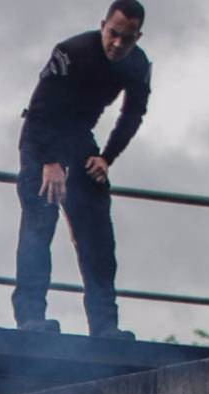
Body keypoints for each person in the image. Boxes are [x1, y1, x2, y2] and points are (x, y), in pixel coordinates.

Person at [12, 0, 152, 339]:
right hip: (41, 139)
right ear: (103, 25)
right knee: (39, 225)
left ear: (138, 36)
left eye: (128, 38)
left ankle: (104, 326)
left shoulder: (138, 64)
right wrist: (48, 162)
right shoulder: (71, 51)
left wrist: (106, 157)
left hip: (79, 142)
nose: (118, 44)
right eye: (113, 34)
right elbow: (40, 109)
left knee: (98, 235)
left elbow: (133, 115)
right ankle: (31, 320)